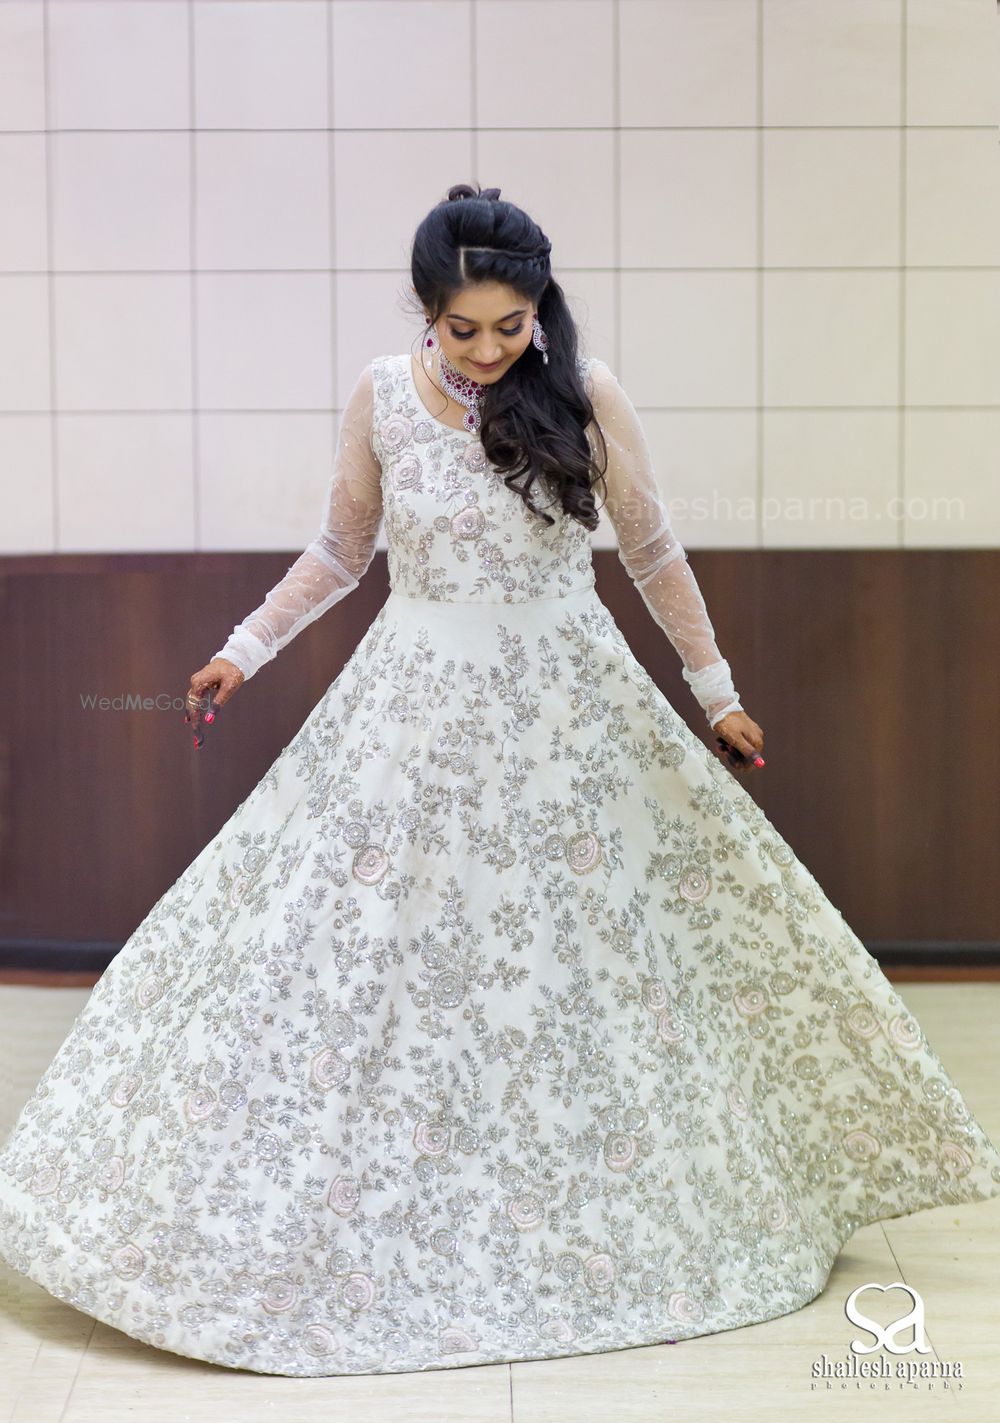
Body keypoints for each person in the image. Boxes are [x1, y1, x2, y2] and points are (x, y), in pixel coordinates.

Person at [1, 183, 998, 1379]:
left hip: (565, 703)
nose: (486, 349)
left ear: (538, 307)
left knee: (604, 958)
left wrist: (716, 690)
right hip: (412, 702)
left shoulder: (580, 390)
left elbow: (650, 547)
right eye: (462, 326)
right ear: (425, 310)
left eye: (509, 325)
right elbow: (340, 549)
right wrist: (242, 649)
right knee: (360, 954)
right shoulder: (381, 395)